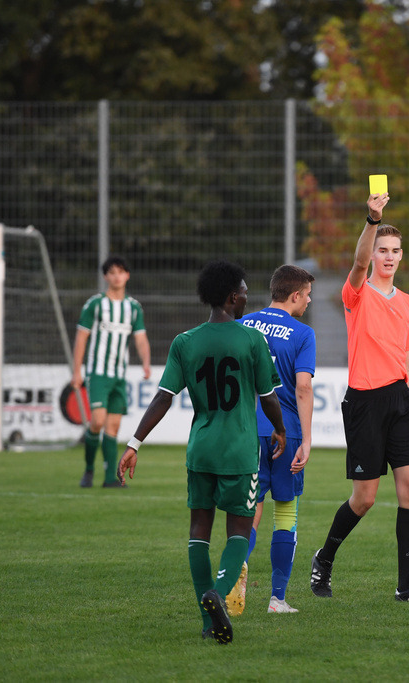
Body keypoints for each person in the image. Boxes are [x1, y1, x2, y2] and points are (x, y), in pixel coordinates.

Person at [117, 260, 287, 645]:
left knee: (199, 531)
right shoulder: (251, 341)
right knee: (240, 529)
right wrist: (279, 429)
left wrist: (134, 443)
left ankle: (208, 619)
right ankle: (220, 591)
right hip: (240, 452)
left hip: (201, 451)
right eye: (243, 290)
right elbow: (268, 397)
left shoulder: (185, 342)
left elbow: (163, 398)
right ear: (231, 297)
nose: (246, 296)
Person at [309, 191, 409, 604]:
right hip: (365, 402)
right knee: (364, 498)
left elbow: (407, 359)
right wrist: (372, 219)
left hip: (401, 401)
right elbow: (358, 263)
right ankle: (324, 558)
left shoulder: (408, 303)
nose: (387, 256)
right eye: (382, 249)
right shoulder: (358, 293)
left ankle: (406, 586)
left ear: (402, 256)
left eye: (394, 250)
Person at [227, 265, 317, 616]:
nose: (309, 300)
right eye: (307, 294)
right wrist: (307, 440)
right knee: (286, 510)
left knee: (249, 508)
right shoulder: (303, 333)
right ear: (294, 295)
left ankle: (235, 572)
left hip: (247, 430)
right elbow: (304, 386)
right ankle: (277, 599)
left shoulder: (243, 324)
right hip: (286, 431)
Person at [72, 255, 151, 488]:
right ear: (106, 276)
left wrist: (145, 362)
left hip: (119, 375)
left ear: (127, 275)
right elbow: (81, 337)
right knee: (96, 421)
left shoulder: (133, 308)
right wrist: (77, 371)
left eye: (121, 271)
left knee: (113, 426)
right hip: (97, 373)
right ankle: (88, 470)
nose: (116, 276)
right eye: (112, 272)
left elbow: (141, 339)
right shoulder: (95, 304)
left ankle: (109, 479)